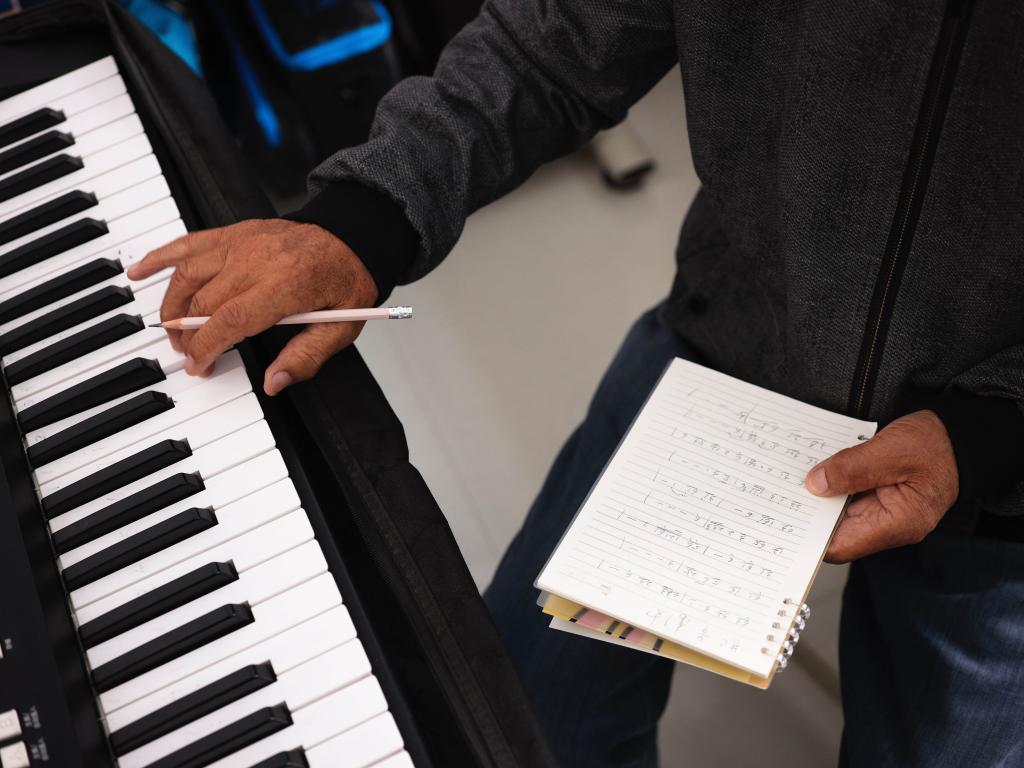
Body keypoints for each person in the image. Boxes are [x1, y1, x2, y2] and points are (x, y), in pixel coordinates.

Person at [127, 1, 1024, 765]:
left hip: (1004, 475)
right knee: (519, 724)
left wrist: (991, 432)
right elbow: (553, 39)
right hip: (731, 348)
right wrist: (363, 220)